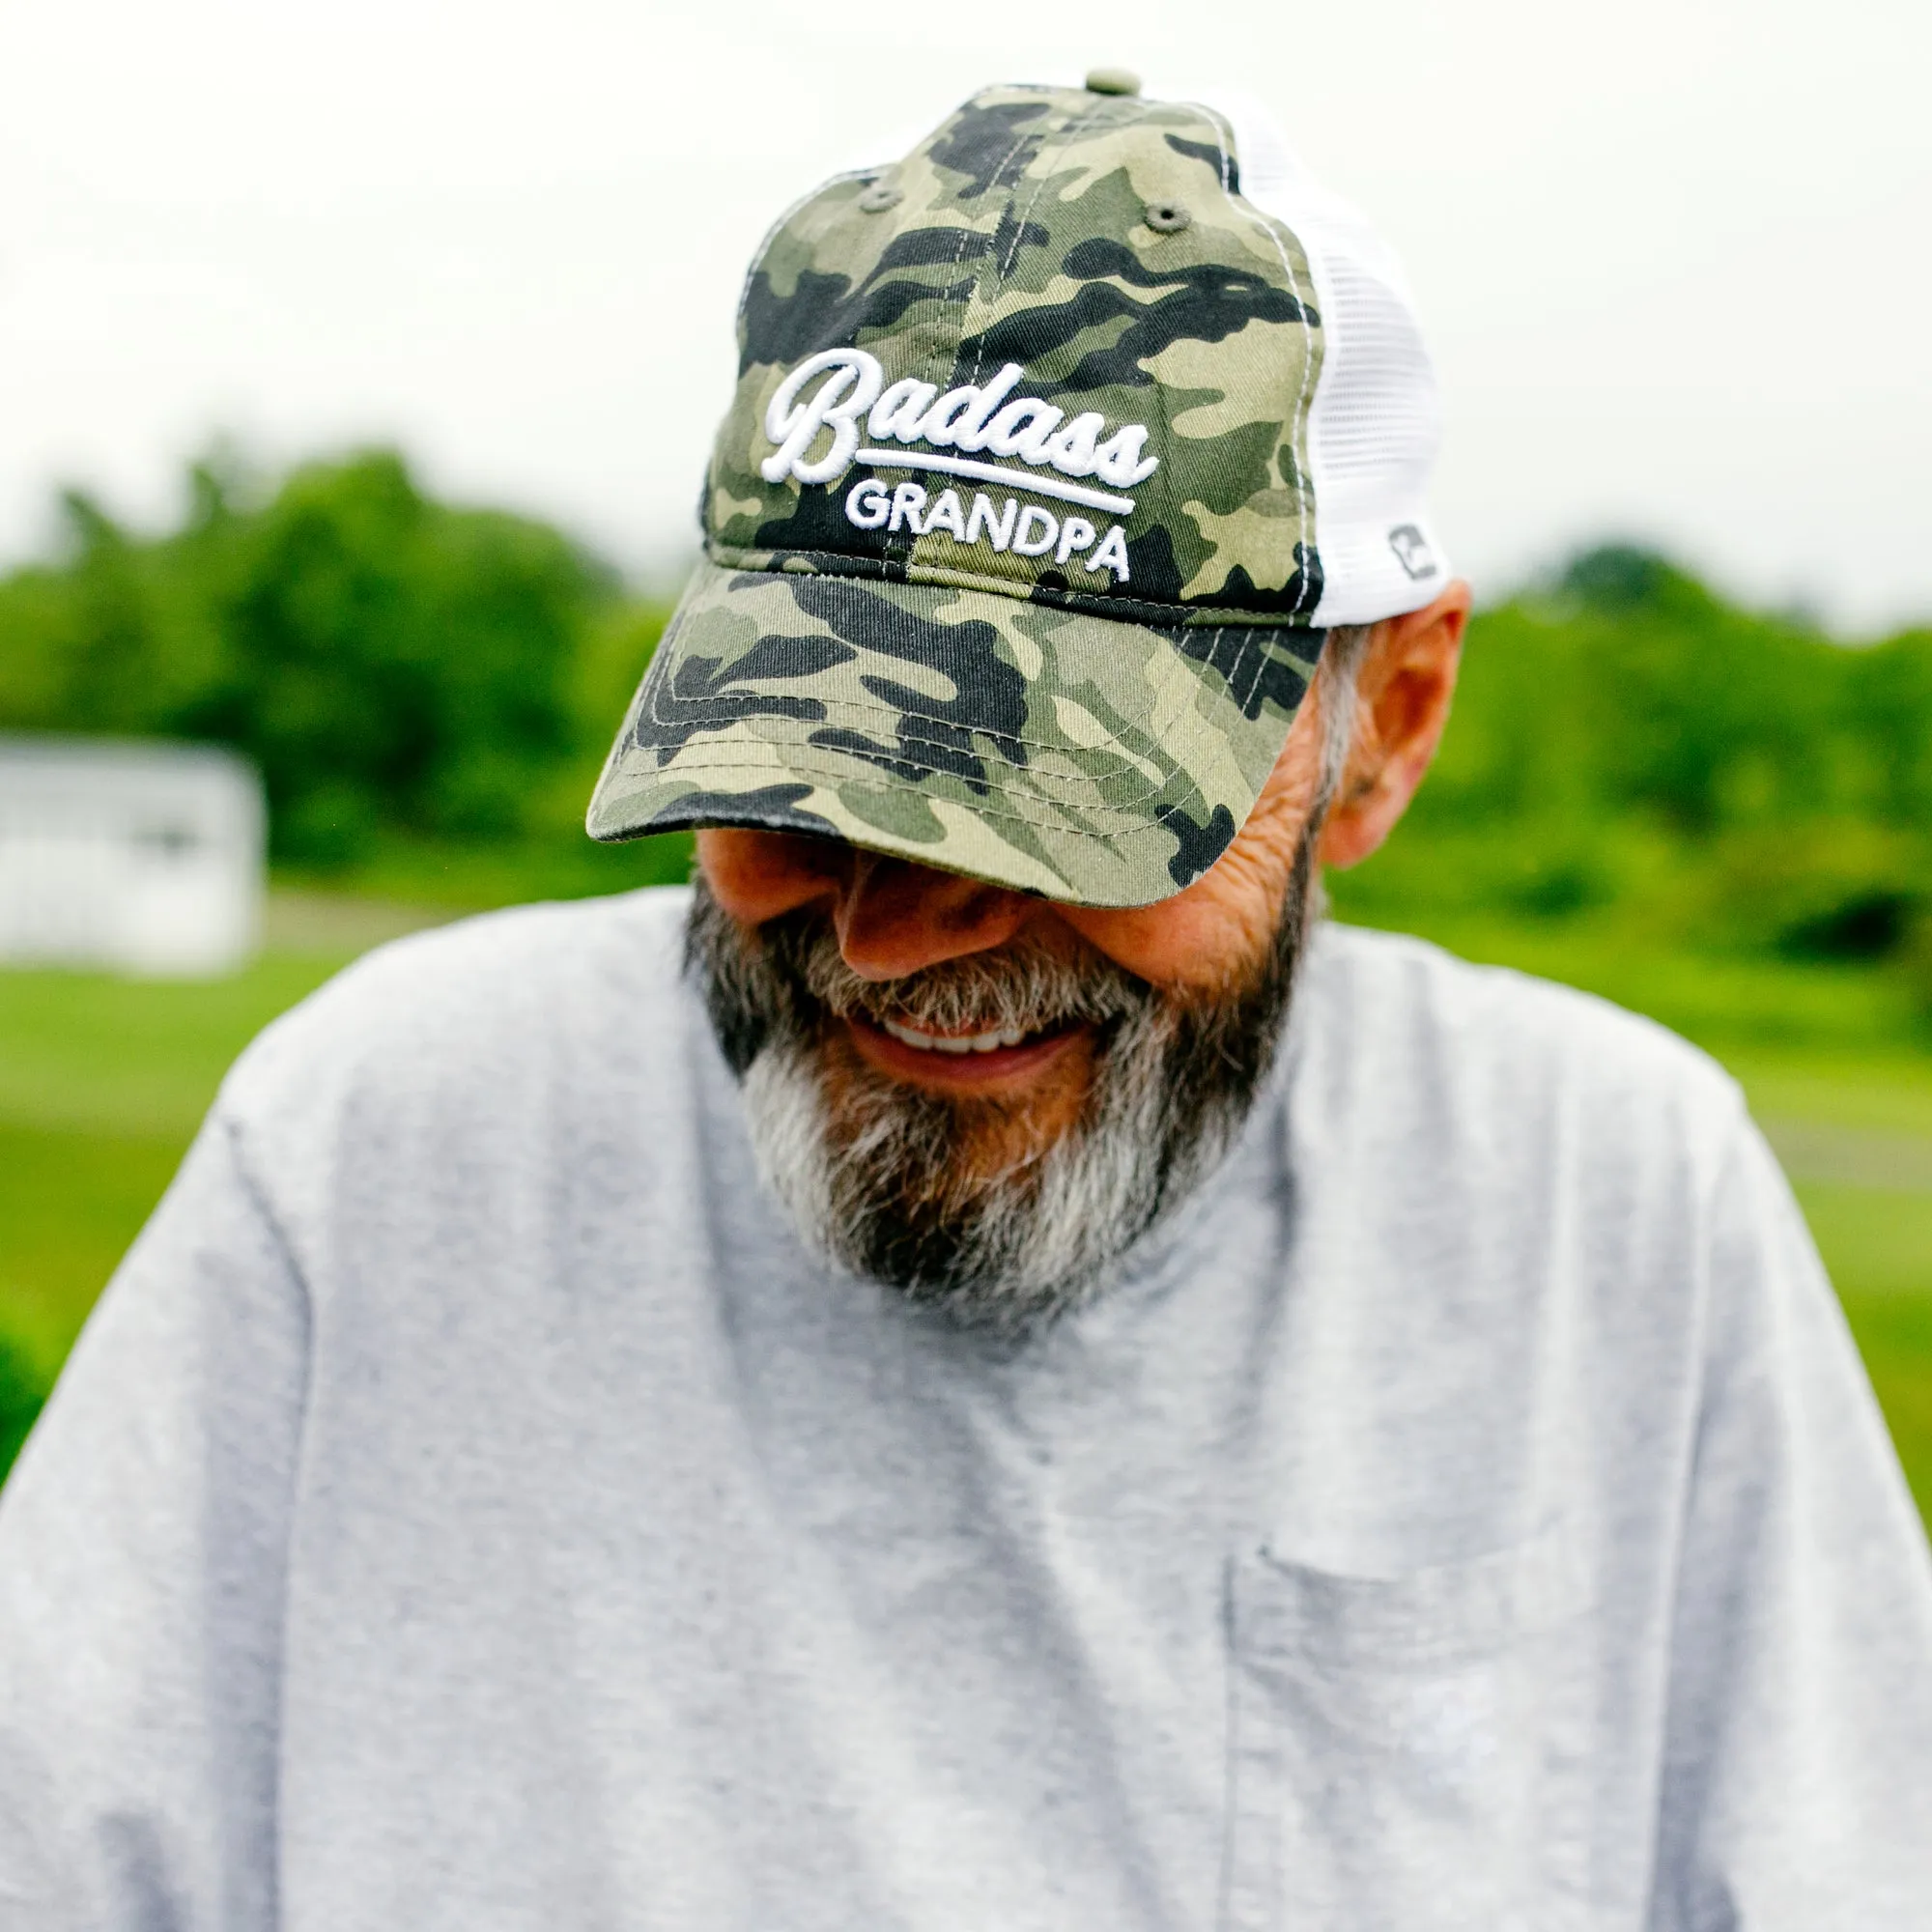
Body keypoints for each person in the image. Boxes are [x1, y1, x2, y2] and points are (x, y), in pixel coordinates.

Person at [2, 73, 1928, 1931]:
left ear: (1385, 723)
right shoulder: (370, 1149)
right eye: (807, 782)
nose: (905, 934)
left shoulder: (1610, 1202)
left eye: (1072, 809)